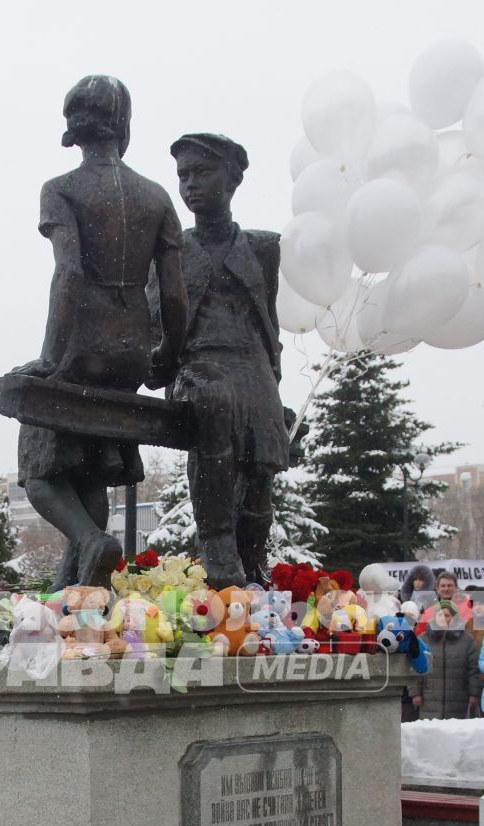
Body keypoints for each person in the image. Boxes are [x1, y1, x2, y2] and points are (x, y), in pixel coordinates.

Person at [15, 74, 186, 588]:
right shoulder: (155, 197)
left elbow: (68, 274)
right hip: (131, 351)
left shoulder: (62, 189)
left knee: (40, 471)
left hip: (81, 346)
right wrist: (167, 354)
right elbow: (174, 294)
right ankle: (73, 594)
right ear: (122, 125)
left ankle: (91, 542)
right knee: (88, 465)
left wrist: (50, 358)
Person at [161, 131, 288, 585]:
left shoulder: (262, 248)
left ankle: (252, 559)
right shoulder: (171, 250)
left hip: (252, 366)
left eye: (202, 172)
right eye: (183, 175)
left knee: (262, 469)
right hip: (197, 365)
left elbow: (266, 320)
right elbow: (159, 324)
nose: (190, 184)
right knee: (214, 404)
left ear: (232, 179)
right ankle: (217, 544)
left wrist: (274, 383)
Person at [415, 598, 480, 719]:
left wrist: (474, 694)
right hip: (429, 699)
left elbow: (473, 670)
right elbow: (414, 668)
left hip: (458, 699)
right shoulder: (423, 639)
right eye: (440, 615)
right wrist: (415, 693)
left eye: (447, 615)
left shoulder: (467, 640)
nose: (443, 618)